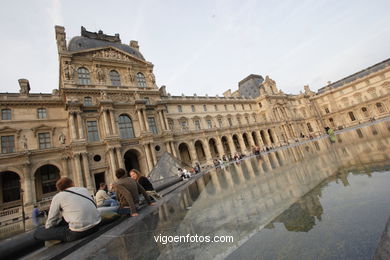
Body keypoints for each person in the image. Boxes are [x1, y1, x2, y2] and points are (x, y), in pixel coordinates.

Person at [34, 177, 101, 243]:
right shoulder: (84, 189)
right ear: (72, 184)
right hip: (97, 225)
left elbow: (51, 219)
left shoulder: (58, 197)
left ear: (59, 189)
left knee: (37, 232)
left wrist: (49, 230)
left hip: (79, 232)